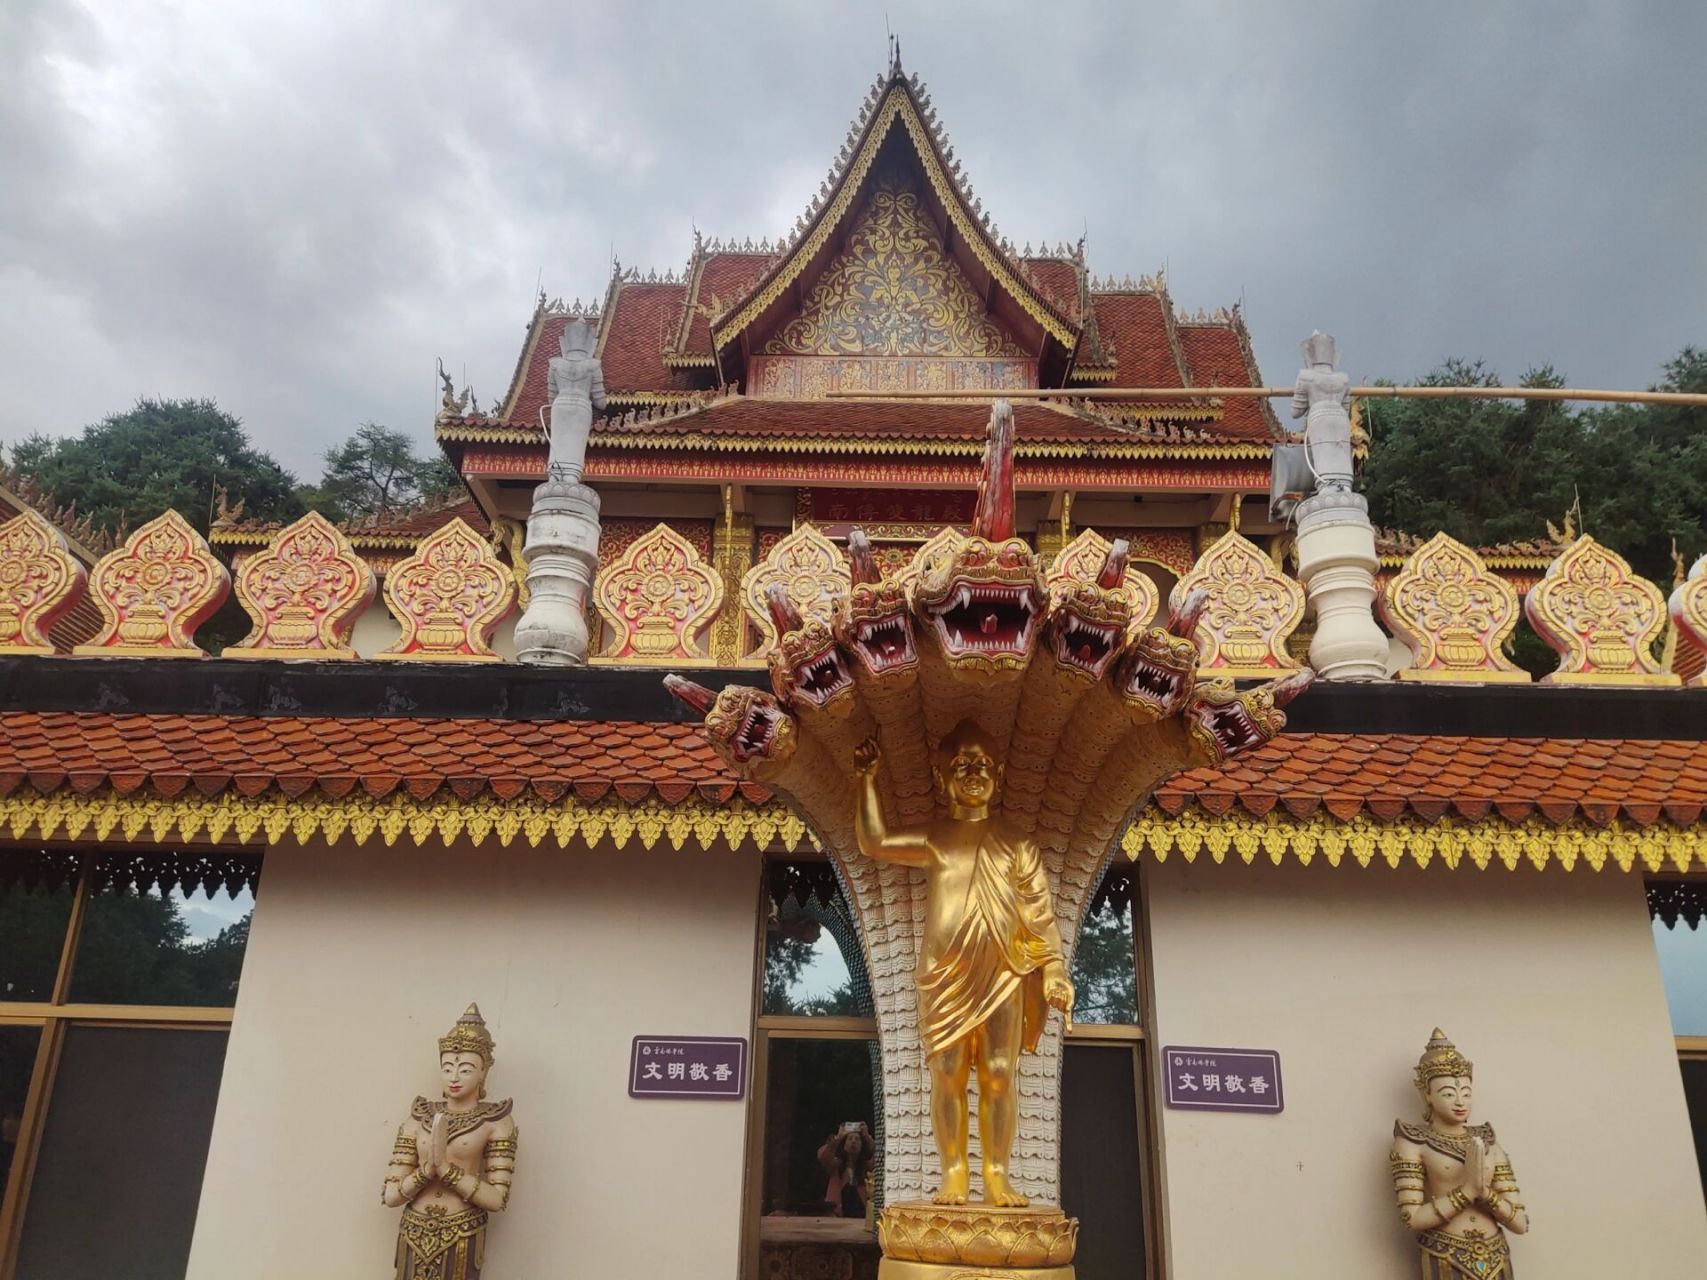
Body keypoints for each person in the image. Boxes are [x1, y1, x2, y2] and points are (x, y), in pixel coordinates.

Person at [854, 721, 1073, 1207]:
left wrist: (1055, 969)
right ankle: (954, 1171)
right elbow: (874, 841)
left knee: (999, 1072)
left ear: (999, 773)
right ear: (941, 777)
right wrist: (867, 780)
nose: (973, 774)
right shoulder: (936, 837)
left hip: (1002, 972)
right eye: (960, 765)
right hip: (944, 973)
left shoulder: (1017, 844)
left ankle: (997, 1174)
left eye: (982, 764)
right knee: (948, 1074)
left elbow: (1039, 914)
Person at [382, 1004, 520, 1279]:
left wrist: (446, 1171)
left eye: (465, 1070)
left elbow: (496, 1199)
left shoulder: (496, 1121)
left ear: (483, 1072)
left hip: (461, 1232)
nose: (454, 1077)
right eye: (447, 1069)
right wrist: (426, 1172)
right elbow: (391, 1195)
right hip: (414, 1229)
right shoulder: (418, 1117)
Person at [1390, 1029, 1529, 1279]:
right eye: (1448, 1094)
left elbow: (1520, 1223)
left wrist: (1485, 1193)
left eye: (1466, 1093)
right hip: (1445, 1254)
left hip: (1496, 1255)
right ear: (1427, 1094)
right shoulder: (1412, 1142)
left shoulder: (1488, 1141)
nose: (1460, 1102)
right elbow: (1413, 1219)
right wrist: (1468, 1191)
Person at [817, 1123, 874, 1218]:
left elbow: (882, 1157)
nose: (853, 1141)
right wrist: (838, 1137)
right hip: (837, 1216)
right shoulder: (835, 1165)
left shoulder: (867, 1167)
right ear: (844, 1144)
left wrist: (867, 1138)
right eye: (850, 1139)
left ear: (862, 1145)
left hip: (861, 1217)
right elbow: (822, 1155)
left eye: (857, 1139)